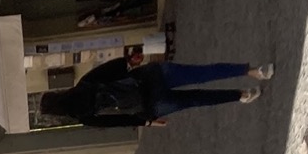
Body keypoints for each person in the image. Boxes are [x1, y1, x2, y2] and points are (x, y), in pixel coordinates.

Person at [37, 56, 274, 128]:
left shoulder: (85, 118)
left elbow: (118, 120)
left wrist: (149, 122)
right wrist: (133, 59)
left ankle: (242, 95)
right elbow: (115, 68)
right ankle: (254, 71)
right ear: (59, 93)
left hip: (152, 104)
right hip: (150, 77)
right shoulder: (84, 83)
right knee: (202, 72)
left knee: (197, 99)